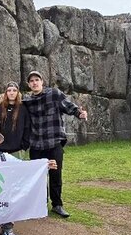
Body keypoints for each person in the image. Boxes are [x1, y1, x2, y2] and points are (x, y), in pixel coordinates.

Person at [22, 71, 87, 218]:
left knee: (55, 174)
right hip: (36, 144)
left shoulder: (54, 94)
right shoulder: (27, 102)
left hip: (54, 142)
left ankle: (57, 204)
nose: (34, 83)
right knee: (38, 177)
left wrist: (79, 113)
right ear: (28, 84)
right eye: (31, 81)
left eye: (36, 80)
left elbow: (69, 106)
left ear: (42, 81)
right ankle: (40, 204)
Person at [0, 81, 30, 158]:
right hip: (0, 149)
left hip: (17, 150)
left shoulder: (23, 109)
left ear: (18, 92)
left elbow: (27, 127)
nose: (11, 93)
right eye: (9, 90)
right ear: (6, 93)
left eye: (14, 90)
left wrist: (24, 145)